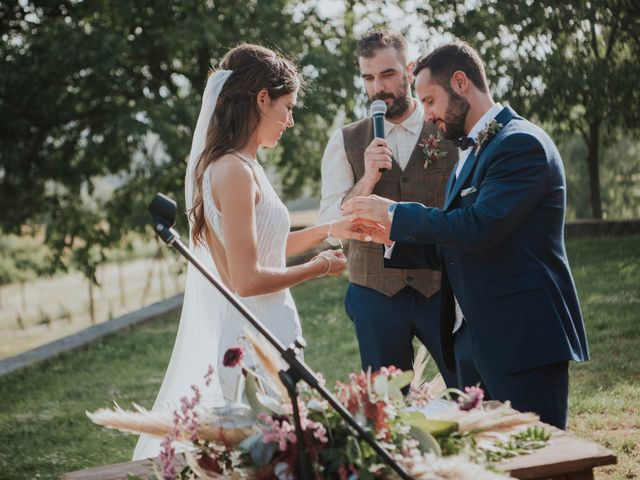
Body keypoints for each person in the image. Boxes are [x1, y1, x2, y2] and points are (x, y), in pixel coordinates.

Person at [134, 43, 369, 460]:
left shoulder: (243, 165)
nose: (291, 121)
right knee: (276, 456)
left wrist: (331, 229)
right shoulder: (234, 172)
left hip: (266, 330)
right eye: (288, 106)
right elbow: (247, 279)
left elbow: (267, 248)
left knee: (286, 455)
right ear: (263, 99)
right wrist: (319, 268)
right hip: (253, 337)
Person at [342, 41, 589, 429]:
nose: (426, 114)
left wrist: (394, 213)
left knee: (539, 459)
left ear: (460, 82)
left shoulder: (520, 143)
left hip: (520, 338)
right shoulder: (469, 153)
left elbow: (480, 227)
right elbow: (454, 244)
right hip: (471, 341)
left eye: (430, 101)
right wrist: (388, 238)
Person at [319, 29, 458, 386]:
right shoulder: (345, 140)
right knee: (387, 407)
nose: (377, 88)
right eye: (368, 78)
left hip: (441, 285)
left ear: (409, 70)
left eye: (388, 74)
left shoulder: (445, 127)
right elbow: (330, 227)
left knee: (467, 383)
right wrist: (366, 179)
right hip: (375, 294)